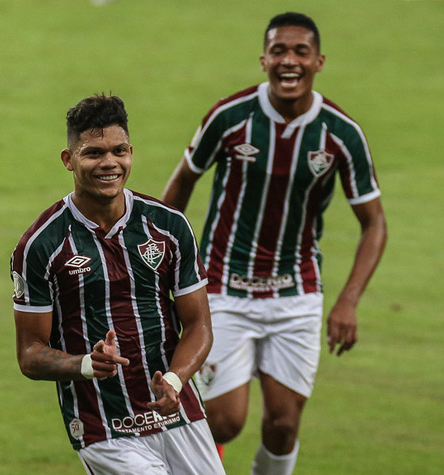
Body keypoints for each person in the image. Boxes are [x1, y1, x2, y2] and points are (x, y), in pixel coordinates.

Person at [162, 12, 388, 475]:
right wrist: (163, 269)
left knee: (283, 426)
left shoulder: (342, 134)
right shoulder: (229, 117)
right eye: (279, 51)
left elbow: (374, 222)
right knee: (224, 421)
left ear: (319, 61)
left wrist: (347, 301)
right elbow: (181, 186)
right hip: (223, 287)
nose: (289, 61)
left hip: (296, 292)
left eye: (300, 52)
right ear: (263, 59)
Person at [10, 94, 225, 475]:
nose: (109, 163)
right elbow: (30, 353)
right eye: (93, 153)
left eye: (119, 150)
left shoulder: (169, 227)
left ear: (130, 152)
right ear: (68, 159)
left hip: (178, 410)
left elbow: (198, 325)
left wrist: (175, 380)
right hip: (102, 426)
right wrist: (87, 364)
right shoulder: (41, 245)